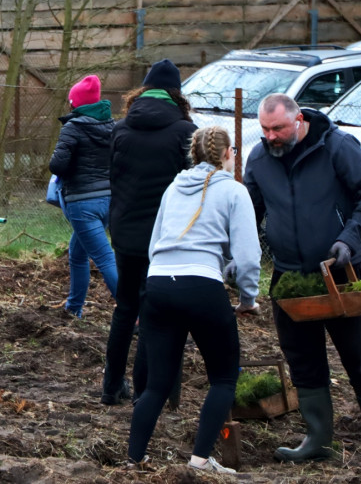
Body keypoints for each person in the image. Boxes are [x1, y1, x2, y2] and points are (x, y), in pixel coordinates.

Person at [244, 93, 361, 463]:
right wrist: (239, 253)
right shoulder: (260, 158)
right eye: (264, 128)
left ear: (299, 121)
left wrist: (349, 237)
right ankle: (318, 439)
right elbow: (250, 211)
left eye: (277, 128)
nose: (270, 136)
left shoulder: (337, 147)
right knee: (303, 358)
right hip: (290, 274)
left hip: (341, 272)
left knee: (358, 355)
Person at [126, 126, 261, 474]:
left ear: (194, 154)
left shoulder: (174, 188)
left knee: (157, 383)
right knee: (223, 378)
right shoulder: (234, 191)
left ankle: (134, 460)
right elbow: (247, 258)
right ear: (229, 154)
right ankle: (200, 460)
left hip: (159, 286)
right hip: (202, 287)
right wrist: (248, 299)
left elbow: (155, 242)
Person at [101, 59, 197, 405]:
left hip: (125, 234)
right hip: (167, 239)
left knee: (125, 310)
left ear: (142, 90)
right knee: (158, 314)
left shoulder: (120, 129)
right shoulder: (186, 133)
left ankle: (111, 387)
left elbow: (113, 178)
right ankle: (151, 391)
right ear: (177, 95)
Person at [49, 74, 118, 318]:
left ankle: (136, 313)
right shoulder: (112, 126)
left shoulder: (73, 127)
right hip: (109, 200)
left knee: (105, 258)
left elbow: (57, 165)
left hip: (82, 203)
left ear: (76, 103)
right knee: (77, 254)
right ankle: (73, 308)